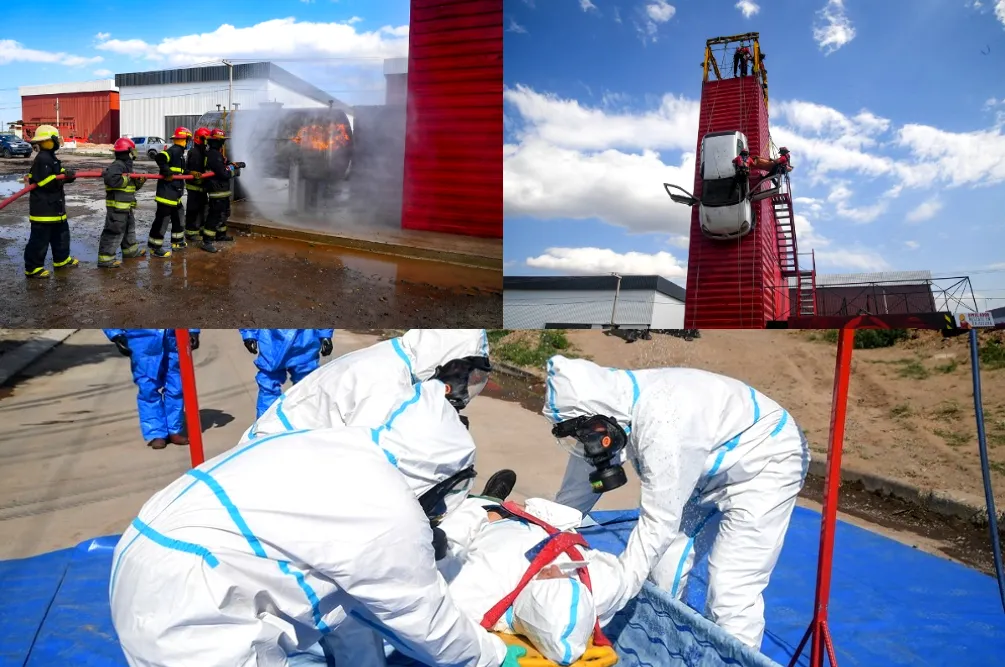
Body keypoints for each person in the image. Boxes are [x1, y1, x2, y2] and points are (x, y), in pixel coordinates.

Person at [109, 416, 524, 666]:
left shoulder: (338, 444)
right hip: (193, 608)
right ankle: (485, 508)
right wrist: (490, 656)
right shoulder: (388, 511)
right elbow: (426, 622)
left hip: (143, 552)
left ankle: (485, 506)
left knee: (351, 597)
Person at [544, 355, 810, 649]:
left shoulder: (663, 418)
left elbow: (659, 522)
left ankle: (736, 657)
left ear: (601, 419)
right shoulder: (607, 408)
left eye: (590, 437)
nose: (591, 447)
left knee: (731, 589)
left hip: (766, 460)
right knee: (665, 568)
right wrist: (545, 538)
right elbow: (572, 500)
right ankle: (666, 650)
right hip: (705, 463)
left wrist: (611, 596)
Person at [438, 496, 632, 665]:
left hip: (497, 522)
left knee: (448, 519)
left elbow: (445, 543)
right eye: (567, 580)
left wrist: (487, 514)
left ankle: (491, 498)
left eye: (549, 577)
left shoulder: (475, 591)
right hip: (539, 520)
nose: (557, 568)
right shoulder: (603, 584)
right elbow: (636, 565)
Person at [243, 329, 491, 441]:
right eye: (460, 375)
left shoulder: (396, 358)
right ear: (442, 360)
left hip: (295, 443)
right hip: (277, 452)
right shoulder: (387, 382)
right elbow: (371, 457)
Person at [104, 329, 200, 450]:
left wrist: (193, 330)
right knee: (148, 389)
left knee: (176, 387)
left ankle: (174, 430)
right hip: (141, 340)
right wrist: (116, 335)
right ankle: (157, 433)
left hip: (172, 339)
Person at [239, 329, 336, 418]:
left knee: (306, 385)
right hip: (273, 339)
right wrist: (249, 334)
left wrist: (325, 335)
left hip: (304, 339)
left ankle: (304, 424)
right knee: (268, 385)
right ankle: (266, 427)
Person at [23, 124, 78, 279]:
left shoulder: (51, 158)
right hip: (44, 211)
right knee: (39, 241)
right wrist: (62, 178)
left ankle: (61, 260)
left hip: (56, 210)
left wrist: (68, 175)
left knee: (61, 236)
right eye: (55, 139)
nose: (57, 142)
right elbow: (46, 183)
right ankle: (33, 268)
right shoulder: (42, 159)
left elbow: (57, 175)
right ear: (49, 141)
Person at [98, 138, 148, 268]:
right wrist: (127, 179)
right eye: (132, 151)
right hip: (117, 207)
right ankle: (106, 259)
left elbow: (130, 187)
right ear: (128, 151)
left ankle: (130, 252)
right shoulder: (118, 165)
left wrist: (139, 181)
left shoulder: (125, 166)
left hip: (126, 206)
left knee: (128, 230)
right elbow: (111, 180)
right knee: (114, 231)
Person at [147, 127, 190, 256]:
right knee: (162, 220)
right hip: (166, 195)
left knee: (179, 216)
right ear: (186, 140)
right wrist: (166, 171)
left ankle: (177, 241)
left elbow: (180, 172)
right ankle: (155, 247)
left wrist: (191, 173)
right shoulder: (175, 151)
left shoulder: (180, 154)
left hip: (174, 194)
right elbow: (160, 157)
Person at [201, 128, 235, 253]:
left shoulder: (216, 154)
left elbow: (223, 167)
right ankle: (207, 241)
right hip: (217, 190)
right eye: (222, 141)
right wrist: (233, 170)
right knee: (214, 215)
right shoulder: (214, 155)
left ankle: (221, 235)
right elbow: (223, 174)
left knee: (224, 213)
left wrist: (232, 164)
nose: (223, 143)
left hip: (222, 190)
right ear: (217, 142)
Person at [183, 127, 211, 245]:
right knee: (193, 210)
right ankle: (190, 233)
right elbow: (189, 170)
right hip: (194, 188)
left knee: (203, 209)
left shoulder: (203, 151)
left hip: (202, 187)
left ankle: (199, 229)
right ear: (199, 138)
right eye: (205, 139)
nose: (207, 141)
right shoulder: (194, 152)